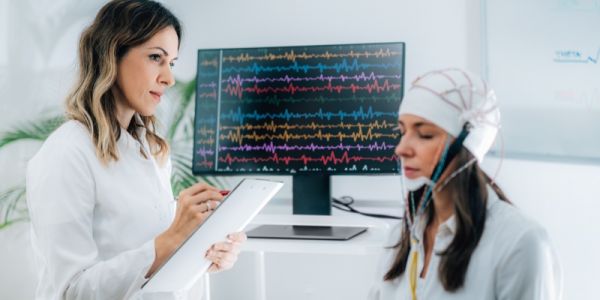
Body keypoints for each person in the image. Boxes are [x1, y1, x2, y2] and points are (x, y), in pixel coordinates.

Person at [25, 1, 245, 299]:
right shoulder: (66, 154)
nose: (168, 78)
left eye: (172, 63)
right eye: (156, 57)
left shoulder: (151, 150)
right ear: (112, 56)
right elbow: (70, 291)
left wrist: (202, 256)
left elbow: (147, 263)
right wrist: (171, 239)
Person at [368, 68, 562, 299]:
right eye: (402, 132)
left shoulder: (520, 243)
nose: (401, 149)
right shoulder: (401, 237)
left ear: (467, 143)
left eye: (425, 135)